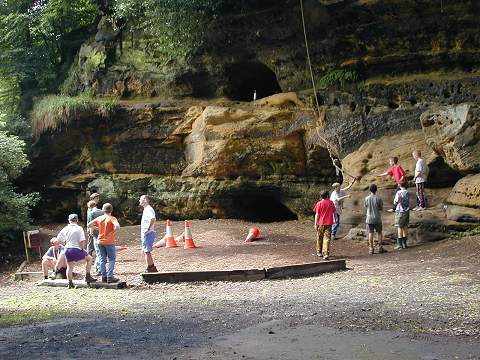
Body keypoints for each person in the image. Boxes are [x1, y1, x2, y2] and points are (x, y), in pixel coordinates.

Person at [57, 214, 96, 288]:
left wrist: (65, 243)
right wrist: (82, 249)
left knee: (69, 267)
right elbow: (82, 240)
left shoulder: (66, 228)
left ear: (69, 220)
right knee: (90, 259)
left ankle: (70, 283)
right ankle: (87, 276)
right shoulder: (79, 228)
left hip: (67, 249)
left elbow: (59, 239)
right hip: (75, 248)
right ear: (77, 220)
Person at [87, 203, 120, 283]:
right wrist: (111, 232)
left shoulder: (100, 218)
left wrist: (97, 228)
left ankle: (104, 276)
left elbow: (89, 225)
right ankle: (110, 276)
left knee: (102, 259)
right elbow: (117, 226)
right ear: (111, 210)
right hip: (109, 241)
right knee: (112, 259)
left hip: (99, 241)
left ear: (103, 210)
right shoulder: (112, 218)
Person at [313, 190, 336, 260]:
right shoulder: (331, 203)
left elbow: (317, 214)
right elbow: (333, 212)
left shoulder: (319, 203)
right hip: (329, 223)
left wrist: (315, 223)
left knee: (319, 237)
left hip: (320, 223)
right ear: (327, 195)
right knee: (327, 238)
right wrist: (334, 219)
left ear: (321, 196)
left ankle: (319, 252)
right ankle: (325, 253)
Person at [364, 184, 386, 255]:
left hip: (369, 218)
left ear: (370, 190)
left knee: (371, 233)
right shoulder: (378, 198)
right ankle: (380, 247)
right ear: (376, 190)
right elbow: (381, 208)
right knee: (379, 232)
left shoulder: (367, 198)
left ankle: (371, 248)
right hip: (377, 218)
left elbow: (366, 206)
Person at [139, 195, 158, 272]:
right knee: (145, 250)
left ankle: (151, 268)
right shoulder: (146, 209)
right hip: (147, 233)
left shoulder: (148, 209)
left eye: (140, 199)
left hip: (148, 233)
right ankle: (150, 266)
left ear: (145, 200)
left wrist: (148, 228)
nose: (139, 201)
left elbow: (153, 218)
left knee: (147, 251)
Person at [86, 200, 104, 275]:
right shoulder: (102, 211)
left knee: (98, 251)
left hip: (96, 235)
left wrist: (91, 233)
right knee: (102, 252)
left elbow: (90, 226)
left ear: (89, 207)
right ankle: (100, 267)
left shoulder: (91, 213)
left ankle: (99, 269)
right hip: (104, 233)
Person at [393, 179, 410, 250]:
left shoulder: (399, 193)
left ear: (400, 185)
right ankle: (405, 243)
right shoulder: (408, 192)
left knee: (399, 227)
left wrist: (395, 203)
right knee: (405, 226)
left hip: (400, 211)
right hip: (406, 211)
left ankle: (399, 244)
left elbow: (396, 201)